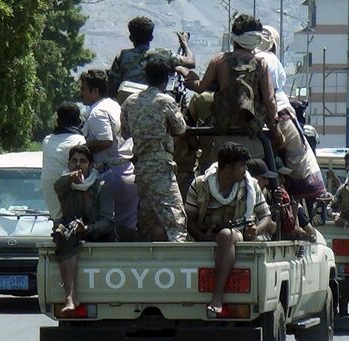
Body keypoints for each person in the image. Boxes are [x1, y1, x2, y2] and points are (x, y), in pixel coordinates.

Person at [176, 14, 324, 202]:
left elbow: (199, 87)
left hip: (222, 135)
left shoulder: (219, 61)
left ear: (233, 38)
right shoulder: (261, 63)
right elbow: (270, 100)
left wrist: (184, 72)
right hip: (254, 136)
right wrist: (276, 131)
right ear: (256, 39)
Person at [185, 143, 272, 313]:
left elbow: (266, 216)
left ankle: (218, 296)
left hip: (237, 233)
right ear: (227, 168)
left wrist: (256, 229)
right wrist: (202, 237)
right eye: (241, 166)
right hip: (205, 235)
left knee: (226, 235)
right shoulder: (200, 185)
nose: (244, 170)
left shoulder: (250, 186)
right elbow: (188, 218)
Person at [120, 57, 188, 242]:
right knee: (175, 218)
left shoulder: (130, 102)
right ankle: (179, 263)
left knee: (146, 218)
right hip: (161, 166)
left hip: (141, 167)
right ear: (166, 78)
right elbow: (180, 129)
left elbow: (125, 132)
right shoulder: (165, 101)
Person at [52, 145, 114, 314]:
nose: (78, 165)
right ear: (68, 163)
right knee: (62, 235)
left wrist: (86, 228)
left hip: (97, 236)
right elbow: (57, 186)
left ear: (91, 165)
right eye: (74, 161)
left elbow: (107, 222)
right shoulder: (66, 185)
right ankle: (70, 297)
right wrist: (70, 178)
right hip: (72, 238)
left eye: (83, 161)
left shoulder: (101, 187)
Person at [80, 69, 138, 240]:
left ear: (95, 91)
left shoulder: (98, 112)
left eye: (83, 89)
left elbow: (106, 140)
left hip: (112, 173)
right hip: (126, 169)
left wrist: (81, 148)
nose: (80, 93)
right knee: (127, 227)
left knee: (111, 229)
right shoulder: (113, 105)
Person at [108, 16, 195, 96]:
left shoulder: (123, 56)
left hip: (125, 102)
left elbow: (112, 86)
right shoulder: (163, 54)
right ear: (151, 37)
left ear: (131, 38)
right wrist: (185, 45)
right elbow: (191, 62)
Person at [245, 157, 316, 242]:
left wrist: (283, 210)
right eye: (263, 178)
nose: (267, 182)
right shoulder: (243, 195)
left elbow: (274, 227)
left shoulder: (271, 196)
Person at [41, 103, 87, 222]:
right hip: (70, 204)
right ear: (78, 121)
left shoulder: (47, 141)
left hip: (52, 202)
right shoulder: (80, 141)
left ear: (58, 121)